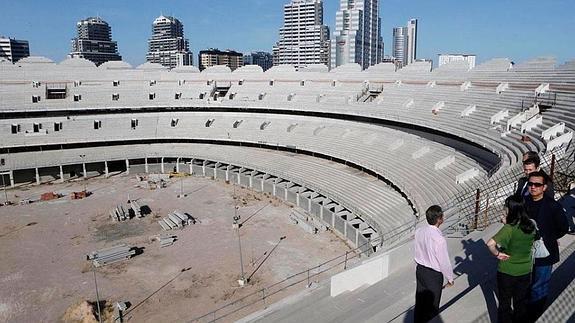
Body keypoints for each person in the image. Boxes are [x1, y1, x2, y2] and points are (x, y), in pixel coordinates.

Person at [524, 171, 568, 320]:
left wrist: (549, 237)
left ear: (544, 187)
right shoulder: (523, 202)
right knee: (528, 282)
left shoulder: (553, 206)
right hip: (526, 252)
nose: (533, 187)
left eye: (537, 184)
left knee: (539, 285)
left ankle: (535, 314)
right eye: (531, 184)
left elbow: (563, 227)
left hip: (545, 251)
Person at [486, 195, 535, 323]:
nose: (505, 209)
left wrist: (497, 254)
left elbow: (490, 244)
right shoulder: (531, 225)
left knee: (505, 304)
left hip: (507, 271)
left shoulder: (509, 228)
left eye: (506, 207)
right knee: (520, 303)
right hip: (525, 269)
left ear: (511, 209)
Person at [414, 205, 454, 323]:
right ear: (439, 219)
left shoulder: (419, 231)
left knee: (420, 304)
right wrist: (450, 278)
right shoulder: (439, 239)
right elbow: (444, 261)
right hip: (433, 275)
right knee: (432, 307)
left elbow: (417, 250)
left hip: (420, 270)